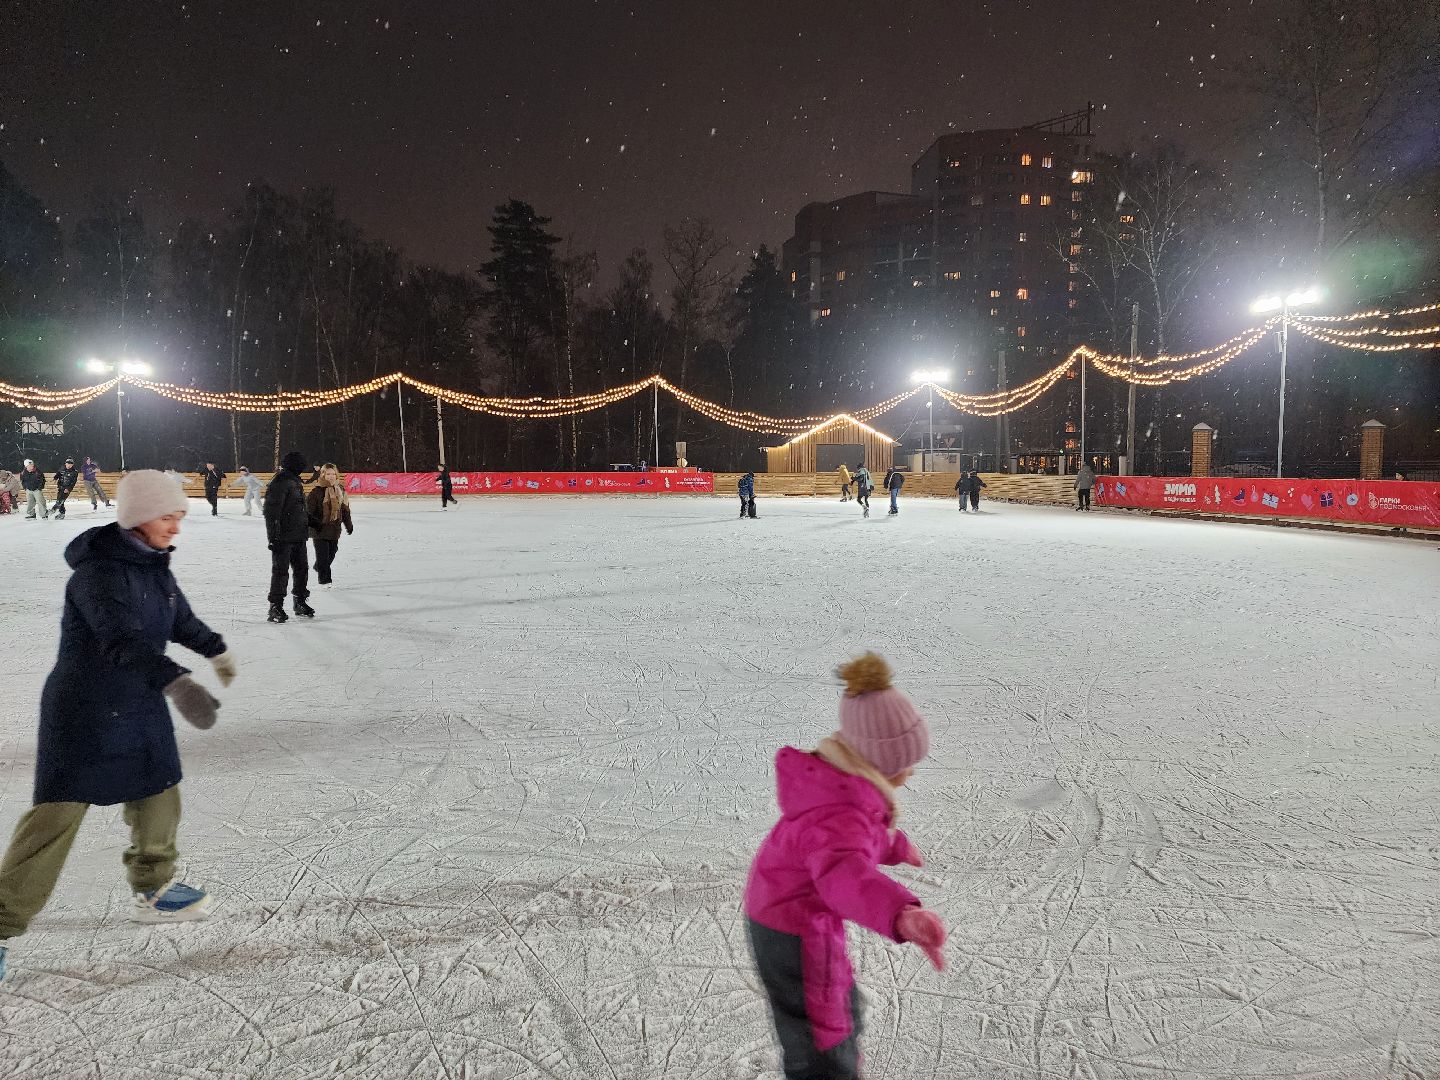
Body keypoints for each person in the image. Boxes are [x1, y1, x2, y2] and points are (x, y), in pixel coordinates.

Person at [0, 470, 235, 982]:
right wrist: (180, 683)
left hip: (139, 697)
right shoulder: (98, 574)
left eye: (180, 516)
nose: (176, 526)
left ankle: (153, 890)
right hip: (84, 708)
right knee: (54, 821)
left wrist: (215, 647)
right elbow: (119, 640)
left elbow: (178, 620)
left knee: (160, 793)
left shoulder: (153, 565)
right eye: (168, 516)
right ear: (137, 517)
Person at [745, 653, 946, 1080]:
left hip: (781, 908)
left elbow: (853, 841)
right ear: (878, 760)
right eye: (903, 762)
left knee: (835, 1006)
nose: (909, 772)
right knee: (823, 1031)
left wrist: (893, 845)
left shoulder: (838, 780)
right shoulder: (842, 813)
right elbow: (843, 875)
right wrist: (900, 913)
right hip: (794, 925)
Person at [263, 451, 315, 623]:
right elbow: (271, 512)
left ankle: (299, 602)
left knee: (302, 570)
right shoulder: (280, 481)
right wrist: (273, 537)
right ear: (294, 465)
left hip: (299, 535)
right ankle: (275, 607)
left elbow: (299, 509)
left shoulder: (294, 481)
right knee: (280, 572)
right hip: (283, 538)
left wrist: (314, 522)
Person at [306, 463, 353, 586]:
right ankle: (325, 582)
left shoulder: (340, 490)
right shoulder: (316, 492)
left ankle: (319, 567)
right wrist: (314, 524)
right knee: (323, 556)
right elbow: (307, 512)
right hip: (319, 530)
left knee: (332, 552)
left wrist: (348, 525)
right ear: (323, 475)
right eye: (328, 474)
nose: (331, 476)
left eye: (333, 474)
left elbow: (345, 509)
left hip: (334, 529)